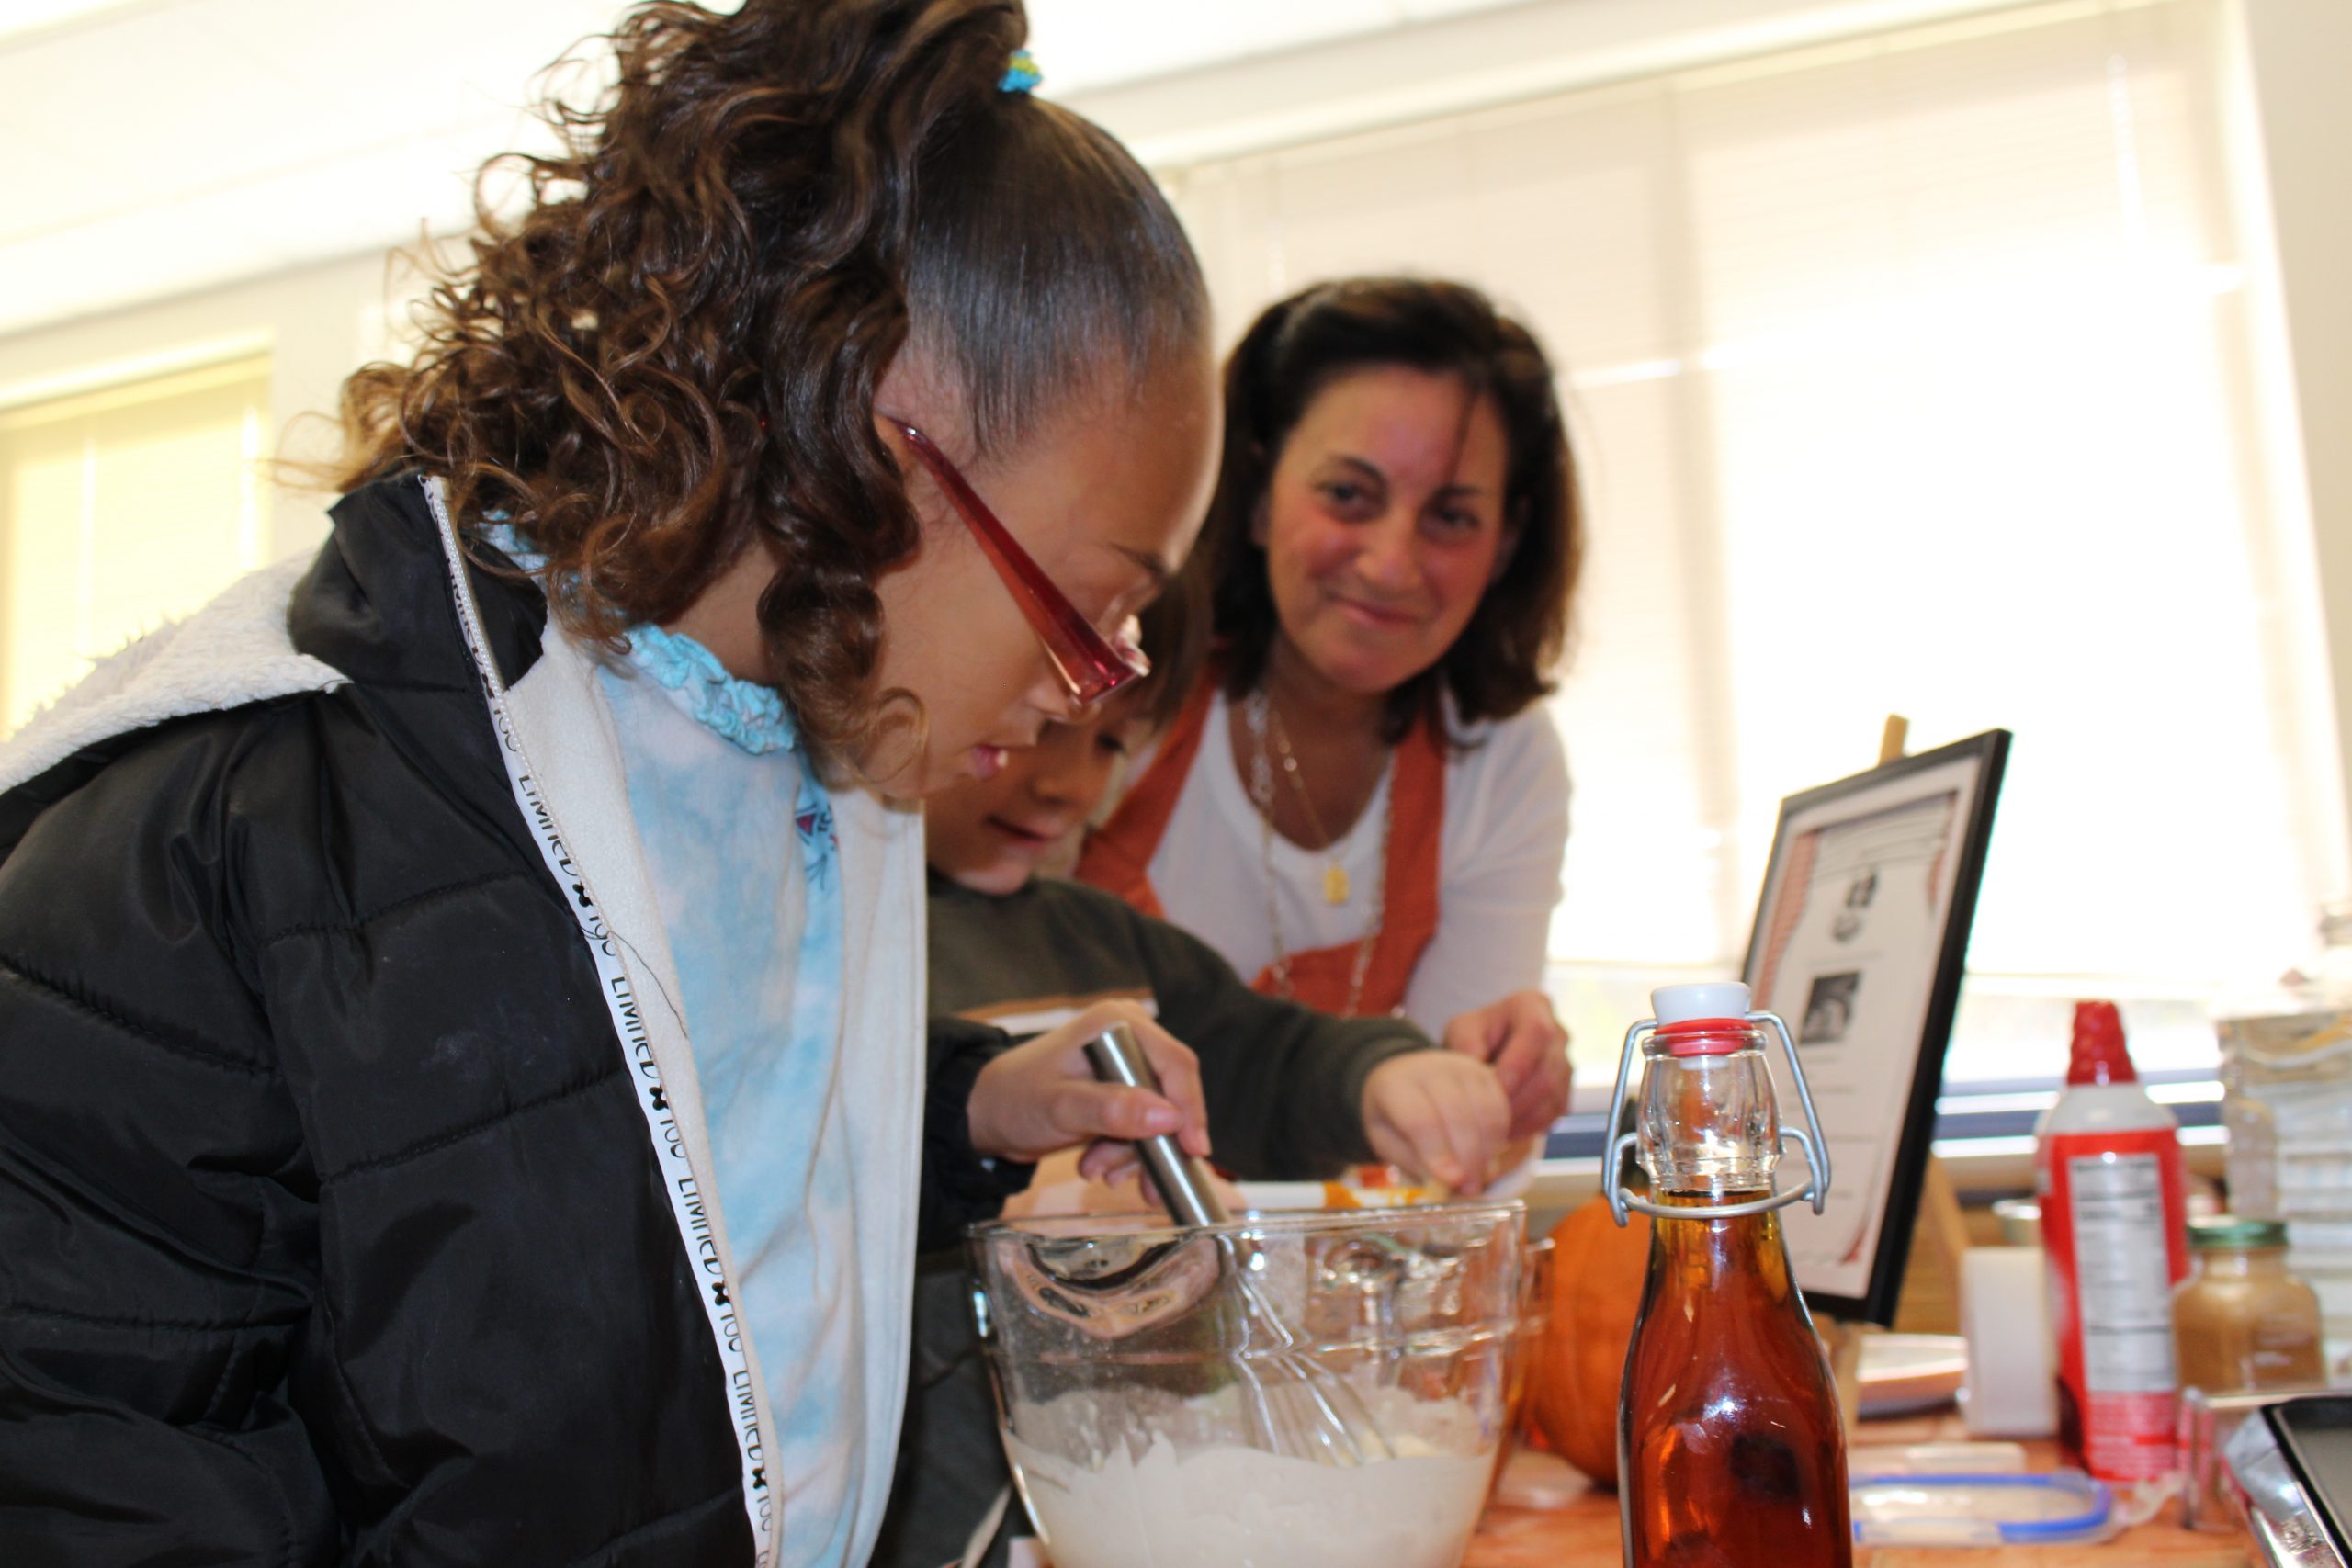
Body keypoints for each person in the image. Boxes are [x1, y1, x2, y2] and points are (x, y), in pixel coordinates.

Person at [0, 5, 1222, 1565]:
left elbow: (644, 1173)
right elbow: (96, 1471)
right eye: (1090, 607)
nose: (1084, 685)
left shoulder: (799, 740)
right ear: (879, 453)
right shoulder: (209, 864)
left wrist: (962, 1110)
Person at [876, 659, 1560, 1568]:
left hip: (1148, 1511)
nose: (1067, 781)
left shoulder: (1106, 938)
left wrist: (1381, 1078)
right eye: (1040, 726)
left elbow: (1263, 1057)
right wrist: (1021, 1206)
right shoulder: (864, 947)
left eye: (1111, 742)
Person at [1079, 277, 1582, 1137]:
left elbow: (1447, 1153)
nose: (1391, 564)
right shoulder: (1112, 688)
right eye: (1349, 494)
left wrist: (1499, 1095)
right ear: (1260, 489)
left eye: (1452, 517)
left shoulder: (1504, 757)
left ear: (1505, 544)